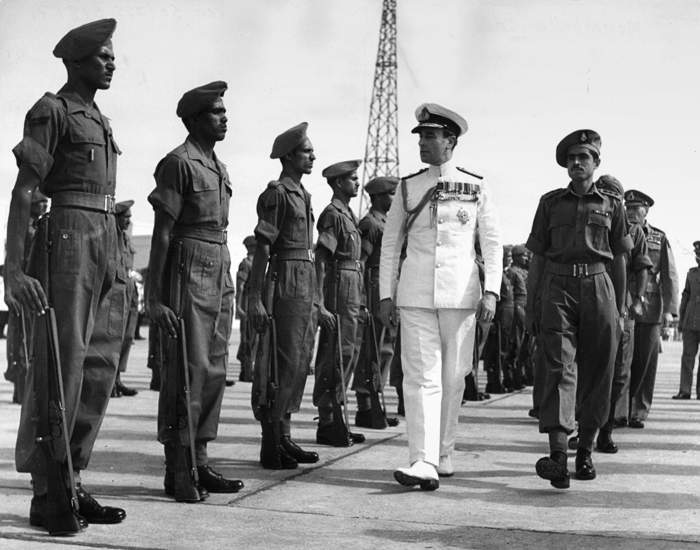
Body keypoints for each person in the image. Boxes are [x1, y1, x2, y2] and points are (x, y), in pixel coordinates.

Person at [6, 19, 127, 533]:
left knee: (99, 366)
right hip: (69, 238)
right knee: (62, 364)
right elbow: (23, 191)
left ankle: (73, 478)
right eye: (103, 56)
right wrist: (12, 268)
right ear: (76, 61)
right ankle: (46, 492)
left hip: (105, 239)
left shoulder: (98, 118)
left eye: (113, 56)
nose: (112, 63)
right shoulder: (51, 111)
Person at [379, 103, 502, 489]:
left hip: (461, 294)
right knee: (420, 378)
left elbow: (492, 243)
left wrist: (493, 291)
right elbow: (389, 244)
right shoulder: (408, 186)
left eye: (431, 136)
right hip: (415, 294)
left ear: (451, 141)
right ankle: (422, 459)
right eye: (421, 136)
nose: (424, 143)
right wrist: (386, 294)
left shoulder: (476, 185)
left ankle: (443, 453)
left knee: (454, 377)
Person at [147, 81, 243, 502]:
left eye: (224, 111)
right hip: (188, 264)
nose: (224, 118)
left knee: (216, 369)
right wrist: (154, 297)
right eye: (216, 113)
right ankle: (178, 467)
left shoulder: (218, 167)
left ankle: (199, 459)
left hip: (218, 264)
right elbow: (162, 233)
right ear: (193, 120)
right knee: (189, 367)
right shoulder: (178, 163)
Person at [526, 129, 632, 490]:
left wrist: (618, 310)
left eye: (583, 157)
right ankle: (558, 455)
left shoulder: (612, 205)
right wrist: (533, 303)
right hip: (557, 287)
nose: (576, 163)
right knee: (558, 365)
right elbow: (537, 258)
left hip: (600, 286)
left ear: (596, 163)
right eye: (571, 158)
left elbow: (619, 259)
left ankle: (585, 449)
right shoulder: (550, 203)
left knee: (599, 369)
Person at [247, 122, 319, 469]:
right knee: (279, 362)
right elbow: (263, 247)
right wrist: (255, 297)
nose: (313, 157)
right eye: (307, 152)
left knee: (298, 361)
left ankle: (285, 436)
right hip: (284, 279)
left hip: (303, 281)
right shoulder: (277, 194)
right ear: (290, 156)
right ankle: (270, 442)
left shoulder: (303, 195)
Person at [591, 175, 651, 453]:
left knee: (619, 372)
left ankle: (606, 429)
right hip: (591, 306)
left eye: (613, 195)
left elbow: (641, 267)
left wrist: (637, 299)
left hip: (622, 309)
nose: (607, 199)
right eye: (601, 192)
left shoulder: (634, 231)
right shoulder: (588, 221)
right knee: (589, 370)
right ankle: (585, 429)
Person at [313, 160, 367, 446]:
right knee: (334, 353)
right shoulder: (332, 215)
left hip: (352, 285)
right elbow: (321, 259)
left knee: (349, 351)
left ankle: (337, 416)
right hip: (338, 287)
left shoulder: (347, 214)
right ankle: (327, 421)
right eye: (352, 179)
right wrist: (320, 303)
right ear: (338, 183)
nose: (357, 183)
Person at [625, 190, 679, 427]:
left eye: (636, 209)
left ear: (646, 211)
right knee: (622, 360)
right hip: (624, 301)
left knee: (646, 361)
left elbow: (669, 275)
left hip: (651, 306)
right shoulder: (619, 233)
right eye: (628, 209)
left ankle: (639, 410)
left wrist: (670, 309)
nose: (631, 213)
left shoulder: (659, 237)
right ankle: (619, 410)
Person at [352, 176, 400, 429]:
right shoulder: (370, 223)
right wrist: (360, 300)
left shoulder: (388, 223)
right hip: (373, 287)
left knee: (386, 348)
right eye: (392, 194)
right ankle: (365, 405)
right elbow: (360, 262)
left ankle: (376, 401)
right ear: (379, 196)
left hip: (387, 287)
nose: (395, 199)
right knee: (371, 347)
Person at [5, 189, 49, 404]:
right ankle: (20, 391)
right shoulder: (23, 228)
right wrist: (8, 292)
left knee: (31, 339)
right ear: (31, 204)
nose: (45, 206)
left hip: (35, 289)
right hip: (22, 289)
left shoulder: (40, 226)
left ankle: (26, 390)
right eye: (41, 202)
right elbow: (10, 263)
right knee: (20, 341)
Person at [113, 200, 138, 397]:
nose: (128, 221)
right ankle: (109, 381)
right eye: (125, 217)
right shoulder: (111, 236)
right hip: (116, 288)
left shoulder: (126, 238)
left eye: (130, 217)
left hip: (129, 288)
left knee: (128, 336)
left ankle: (117, 378)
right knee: (115, 336)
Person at [674, 240, 700, 399]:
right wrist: (681, 319)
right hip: (691, 321)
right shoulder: (691, 274)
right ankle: (684, 391)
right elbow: (685, 297)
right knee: (687, 358)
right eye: (697, 255)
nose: (698, 257)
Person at [235, 235, 258, 382]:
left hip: (252, 305)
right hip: (247, 305)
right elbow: (240, 287)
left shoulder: (254, 263)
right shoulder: (246, 263)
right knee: (247, 340)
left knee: (253, 339)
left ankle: (247, 372)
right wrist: (238, 307)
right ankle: (247, 372)